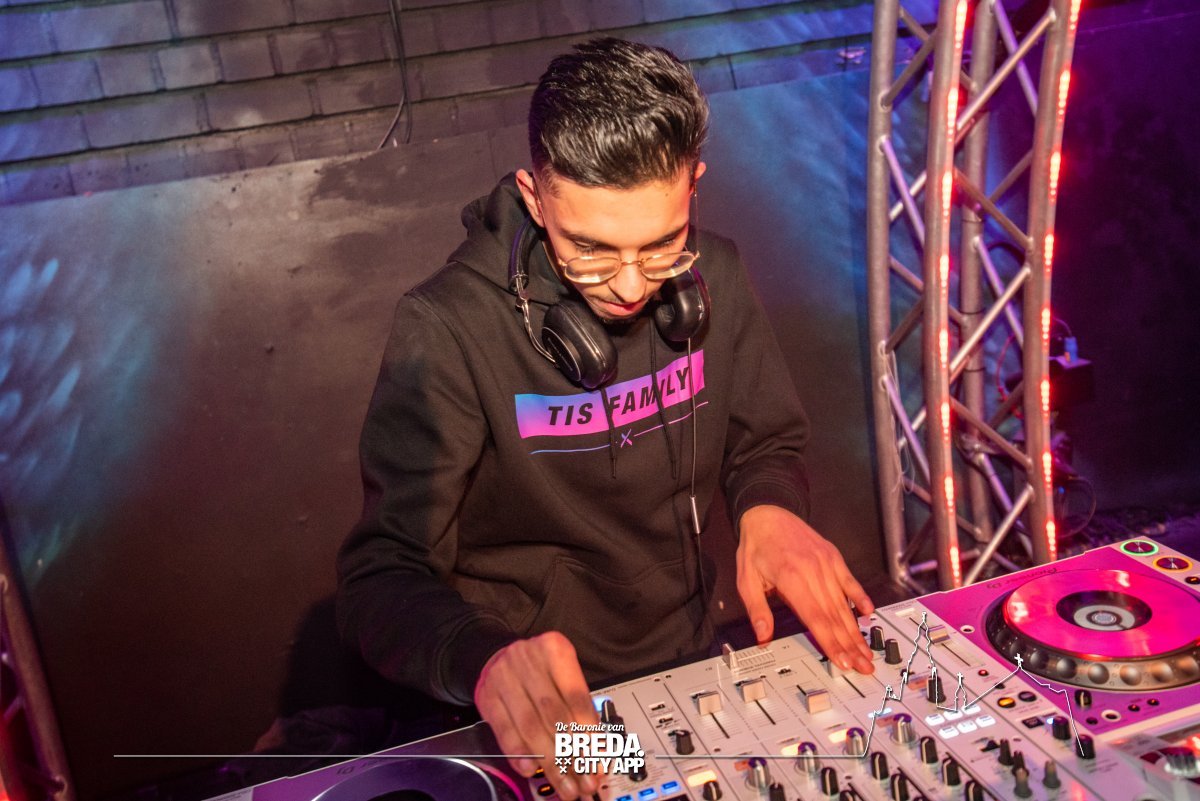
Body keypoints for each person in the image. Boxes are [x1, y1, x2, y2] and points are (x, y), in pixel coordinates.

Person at [337, 37, 875, 800]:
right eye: (589, 250)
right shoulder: (449, 327)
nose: (629, 287)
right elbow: (380, 575)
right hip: (551, 711)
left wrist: (770, 507)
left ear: (694, 185)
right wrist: (482, 657)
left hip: (687, 668)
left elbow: (766, 441)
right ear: (535, 199)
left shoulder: (715, 276)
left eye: (661, 246)